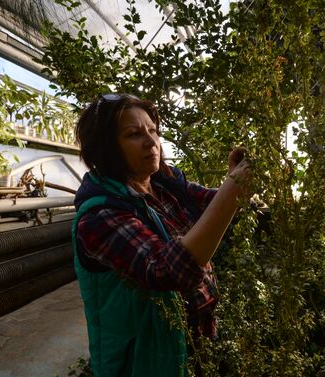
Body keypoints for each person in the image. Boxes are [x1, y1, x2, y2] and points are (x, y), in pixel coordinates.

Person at [72, 93, 251, 376]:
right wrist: (235, 188)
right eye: (133, 134)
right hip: (147, 354)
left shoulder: (164, 183)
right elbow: (166, 271)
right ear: (106, 148)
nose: (151, 142)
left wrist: (237, 181)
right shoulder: (99, 216)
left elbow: (211, 203)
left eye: (153, 131)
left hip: (198, 335)